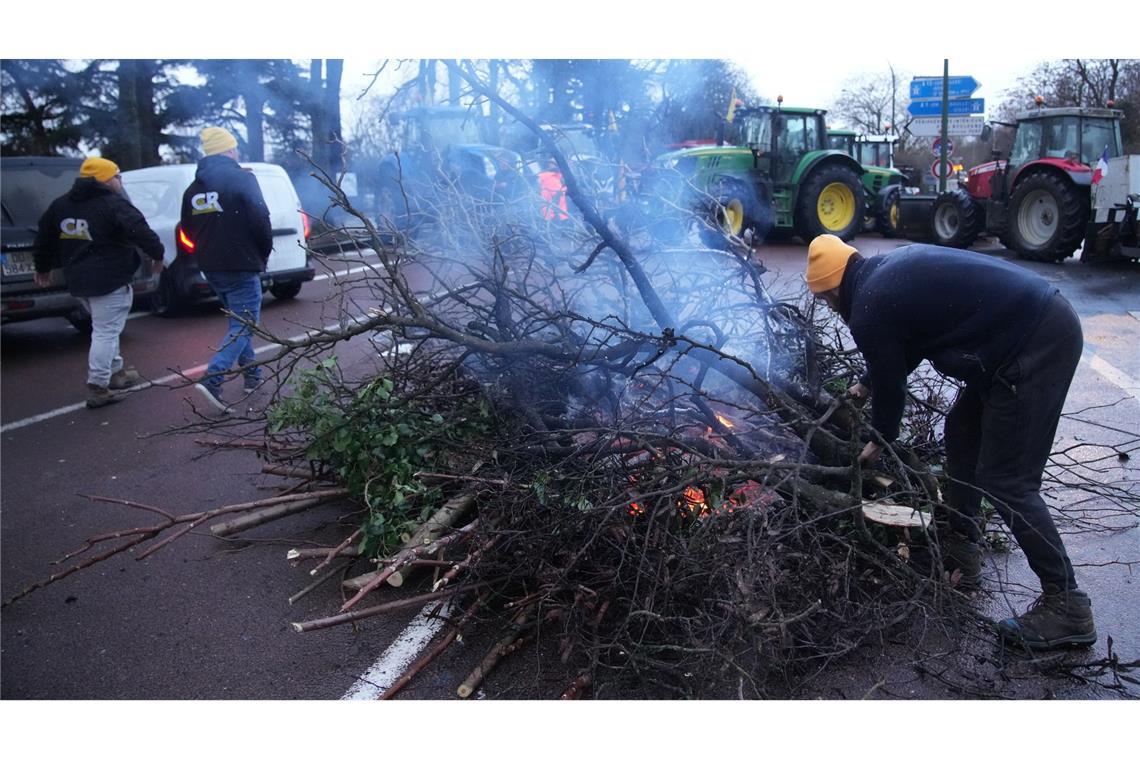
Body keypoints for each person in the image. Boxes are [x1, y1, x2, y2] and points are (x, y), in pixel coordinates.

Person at [806, 234, 1095, 652]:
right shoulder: (880, 278)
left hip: (1035, 342)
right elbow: (904, 345)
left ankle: (1067, 603)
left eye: (825, 300)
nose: (829, 308)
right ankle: (962, 547)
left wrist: (879, 440)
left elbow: (892, 384)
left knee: (1008, 481)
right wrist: (865, 384)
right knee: (961, 431)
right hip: (1026, 331)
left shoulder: (867, 306)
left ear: (832, 291)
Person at [34, 157, 164, 409]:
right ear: (105, 179)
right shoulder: (112, 204)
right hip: (109, 278)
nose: (120, 180)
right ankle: (98, 385)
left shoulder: (61, 205)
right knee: (105, 331)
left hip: (79, 279)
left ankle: (116, 372)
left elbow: (44, 237)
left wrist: (42, 266)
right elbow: (140, 230)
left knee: (105, 327)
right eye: (117, 176)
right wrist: (157, 254)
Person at [180, 127, 272, 413]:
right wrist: (263, 252)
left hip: (211, 267)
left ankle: (252, 374)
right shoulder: (243, 179)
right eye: (235, 148)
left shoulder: (193, 190)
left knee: (238, 322)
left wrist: (205, 251)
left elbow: (186, 229)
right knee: (244, 324)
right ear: (229, 150)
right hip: (241, 263)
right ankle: (213, 379)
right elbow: (261, 218)